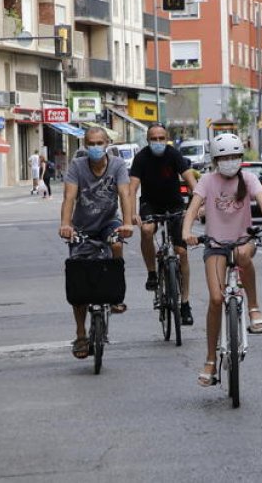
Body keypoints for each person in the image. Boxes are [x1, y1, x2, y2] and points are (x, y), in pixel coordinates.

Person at [182, 133, 262, 387]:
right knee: (216, 299)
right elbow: (193, 208)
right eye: (224, 157)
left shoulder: (249, 179)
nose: (230, 161)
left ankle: (254, 307)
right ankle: (210, 359)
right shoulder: (207, 180)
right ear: (216, 160)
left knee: (242, 254)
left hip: (242, 240)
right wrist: (186, 232)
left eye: (235, 156)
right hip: (215, 245)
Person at [57, 127, 134, 359]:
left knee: (117, 244)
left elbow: (125, 194)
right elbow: (69, 197)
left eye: (100, 143)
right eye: (91, 143)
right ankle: (81, 334)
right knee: (79, 277)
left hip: (108, 222)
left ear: (107, 143)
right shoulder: (77, 166)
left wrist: (127, 223)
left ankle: (116, 296)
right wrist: (66, 224)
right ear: (85, 145)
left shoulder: (117, 165)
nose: (95, 147)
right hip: (82, 226)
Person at [130, 123, 199, 326]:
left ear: (166, 138)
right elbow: (132, 189)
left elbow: (191, 181)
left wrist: (197, 205)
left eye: (161, 138)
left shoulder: (174, 155)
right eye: (154, 139)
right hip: (150, 204)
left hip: (174, 204)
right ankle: (152, 273)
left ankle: (185, 303)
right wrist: (132, 213)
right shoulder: (141, 158)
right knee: (147, 230)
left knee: (181, 252)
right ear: (148, 140)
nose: (158, 142)